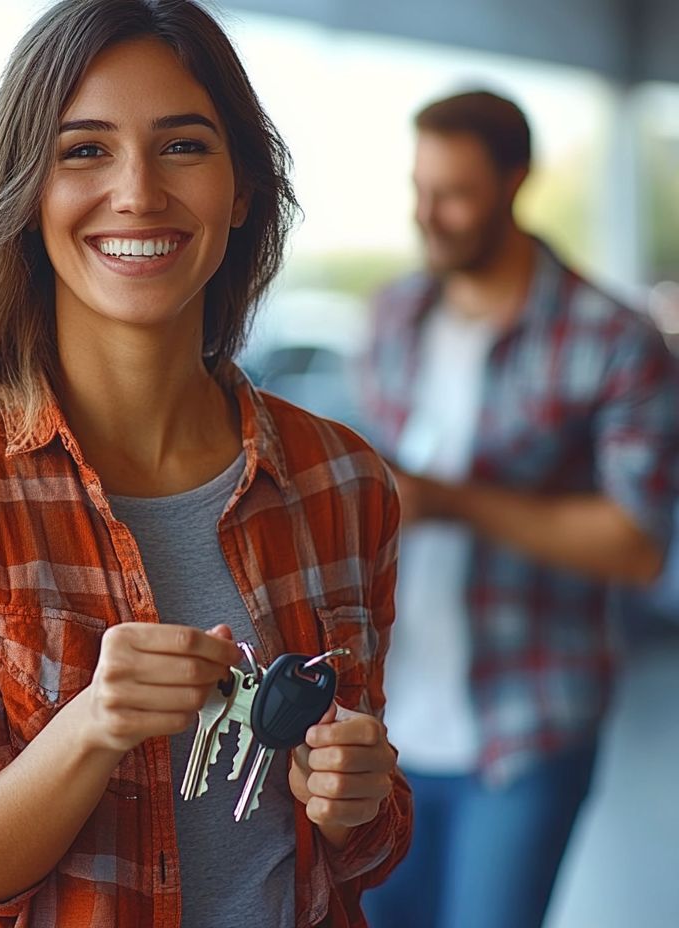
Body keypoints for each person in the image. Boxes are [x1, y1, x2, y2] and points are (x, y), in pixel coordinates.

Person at [0, 2, 412, 925]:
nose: (138, 193)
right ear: (27, 191)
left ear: (242, 189)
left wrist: (362, 795)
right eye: (84, 150)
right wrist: (92, 726)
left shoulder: (343, 480)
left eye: (184, 147)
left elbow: (370, 840)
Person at [357, 90, 679, 928]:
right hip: (383, 730)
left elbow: (639, 545)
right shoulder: (392, 318)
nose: (429, 215)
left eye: (455, 193)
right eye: (420, 189)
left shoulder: (612, 339)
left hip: (527, 727)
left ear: (515, 181)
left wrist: (451, 502)